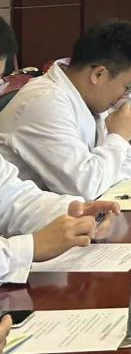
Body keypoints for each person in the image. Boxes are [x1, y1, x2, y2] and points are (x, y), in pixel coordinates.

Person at [0, 17, 121, 287]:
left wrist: (73, 211)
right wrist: (31, 247)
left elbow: (11, 199)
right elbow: (88, 181)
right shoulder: (44, 100)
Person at [0, 21, 131, 199]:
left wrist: (106, 171)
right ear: (98, 74)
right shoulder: (44, 102)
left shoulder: (91, 99)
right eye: (128, 87)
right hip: (26, 214)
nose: (126, 96)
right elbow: (87, 187)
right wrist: (119, 137)